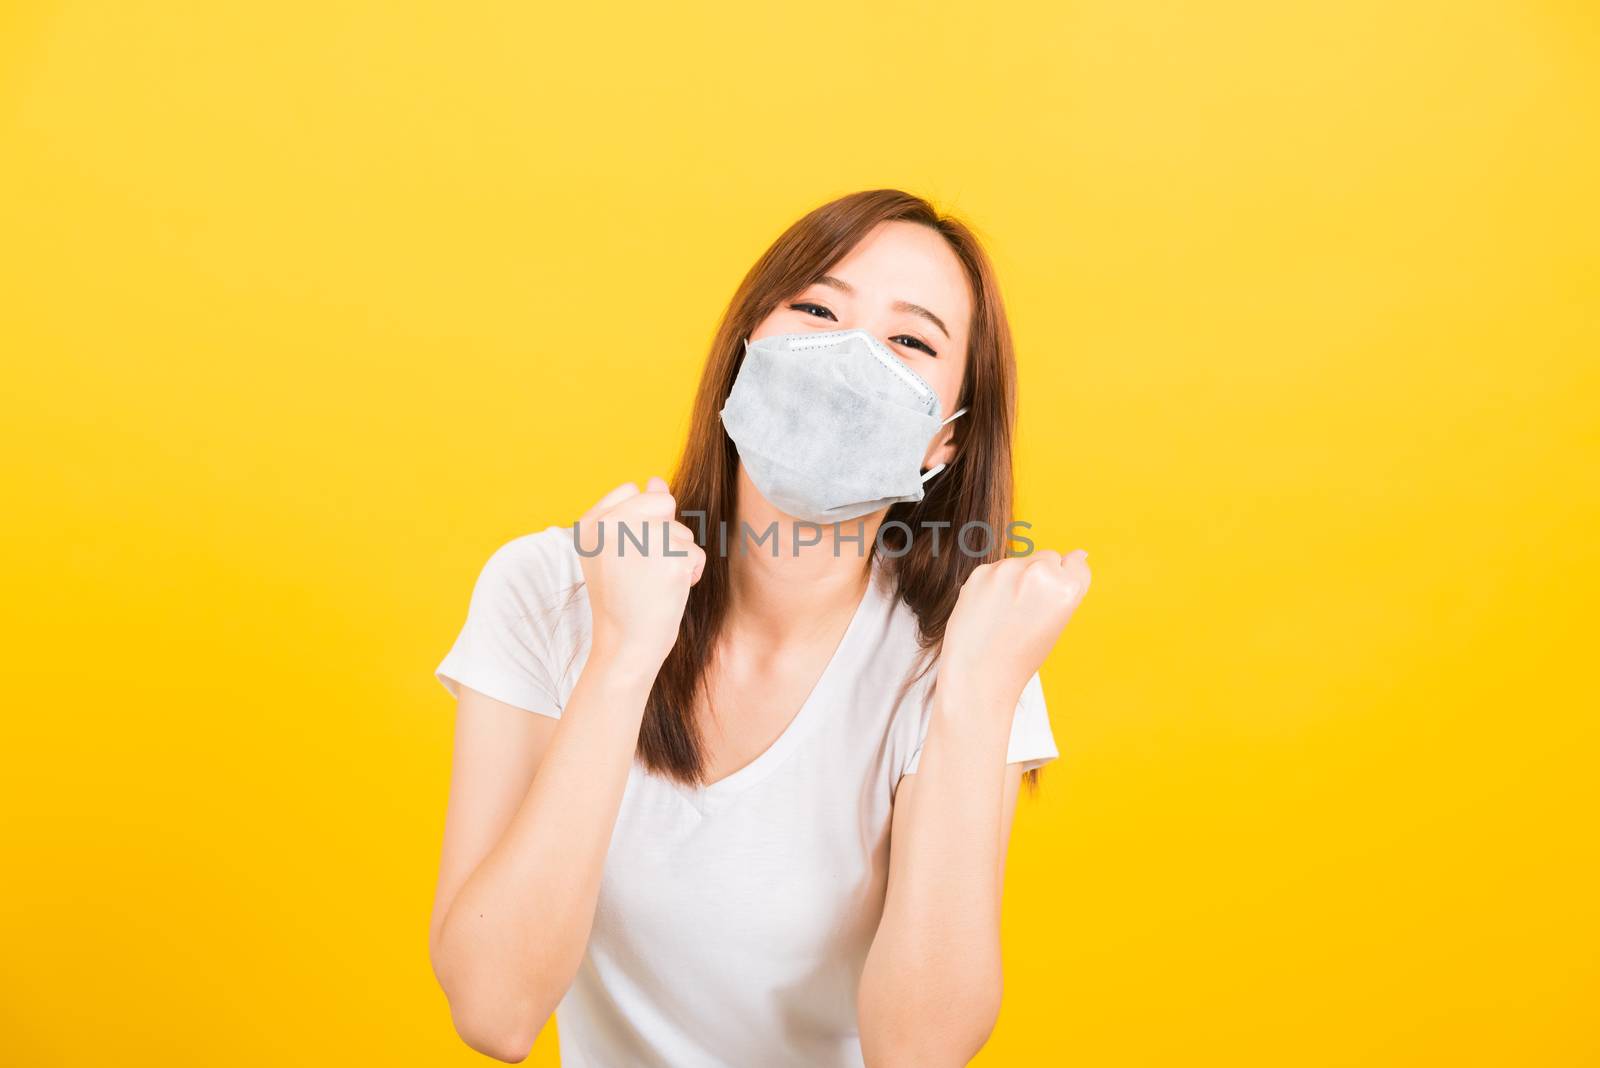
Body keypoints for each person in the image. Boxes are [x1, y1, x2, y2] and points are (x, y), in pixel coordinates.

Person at [427, 188, 1092, 1066]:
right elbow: (493, 1009)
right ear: (746, 351)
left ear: (946, 443)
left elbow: (921, 1053)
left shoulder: (964, 656)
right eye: (816, 308)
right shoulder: (551, 589)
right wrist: (623, 657)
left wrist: (976, 696)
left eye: (910, 341)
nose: (849, 358)